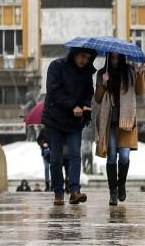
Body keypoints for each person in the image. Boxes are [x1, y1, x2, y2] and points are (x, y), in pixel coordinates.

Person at [44, 47, 97, 205]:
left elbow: (89, 92)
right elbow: (53, 91)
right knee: (56, 159)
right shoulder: (56, 66)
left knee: (75, 154)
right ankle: (58, 193)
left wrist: (86, 105)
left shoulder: (87, 72)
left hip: (75, 121)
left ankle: (75, 191)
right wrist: (73, 105)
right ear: (74, 54)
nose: (84, 60)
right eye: (82, 56)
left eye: (88, 58)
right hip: (54, 118)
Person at [94, 52, 145, 205]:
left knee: (124, 156)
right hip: (109, 121)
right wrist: (103, 84)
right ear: (108, 58)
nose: (115, 60)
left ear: (122, 58)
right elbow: (97, 98)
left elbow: (140, 91)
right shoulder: (102, 73)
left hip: (126, 121)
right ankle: (113, 192)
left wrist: (141, 73)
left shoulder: (130, 71)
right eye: (112, 57)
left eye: (117, 57)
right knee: (111, 156)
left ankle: (121, 184)